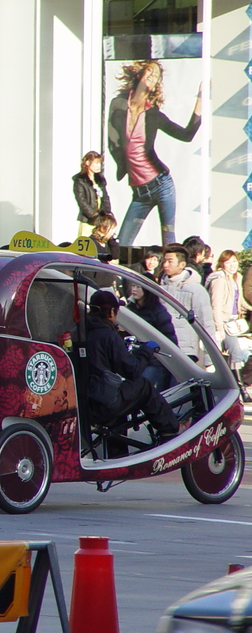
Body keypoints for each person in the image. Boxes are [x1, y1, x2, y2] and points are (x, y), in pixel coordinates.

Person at [108, 60, 202, 246]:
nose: (152, 76)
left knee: (168, 240)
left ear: (154, 86)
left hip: (162, 185)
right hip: (139, 193)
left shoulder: (153, 114)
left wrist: (201, 98)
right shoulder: (118, 105)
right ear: (139, 76)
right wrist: (121, 164)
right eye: (149, 72)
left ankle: (168, 274)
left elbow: (186, 135)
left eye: (156, 76)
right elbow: (113, 140)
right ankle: (123, 276)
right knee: (124, 243)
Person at [84, 290, 180, 438]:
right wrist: (146, 351)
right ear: (111, 312)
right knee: (143, 386)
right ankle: (171, 429)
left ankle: (118, 454)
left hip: (86, 404)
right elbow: (132, 371)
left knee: (121, 392)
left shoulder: (79, 332)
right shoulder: (108, 336)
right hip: (104, 404)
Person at [159, 243, 215, 363]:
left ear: (182, 264)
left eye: (170, 261)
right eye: (164, 261)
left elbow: (206, 323)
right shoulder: (159, 288)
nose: (165, 265)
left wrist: (210, 359)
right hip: (161, 349)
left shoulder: (195, 289)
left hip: (185, 350)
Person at [207, 250, 252, 398]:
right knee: (235, 352)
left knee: (234, 354)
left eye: (234, 262)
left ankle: (234, 387)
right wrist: (219, 328)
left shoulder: (236, 278)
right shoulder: (219, 279)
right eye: (228, 262)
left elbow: (239, 302)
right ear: (222, 263)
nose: (232, 265)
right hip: (223, 322)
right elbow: (216, 306)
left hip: (233, 321)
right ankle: (240, 389)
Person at [125, 280, 177, 391]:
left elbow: (169, 336)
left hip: (154, 360)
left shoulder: (158, 311)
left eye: (138, 286)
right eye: (133, 285)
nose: (134, 289)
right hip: (135, 359)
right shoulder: (130, 308)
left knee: (143, 389)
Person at [73, 151, 111, 237]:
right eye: (96, 163)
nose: (98, 166)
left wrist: (107, 213)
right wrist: (94, 217)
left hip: (102, 221)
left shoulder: (100, 179)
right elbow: (82, 202)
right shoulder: (80, 180)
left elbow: (105, 197)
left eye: (99, 164)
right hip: (88, 221)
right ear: (87, 163)